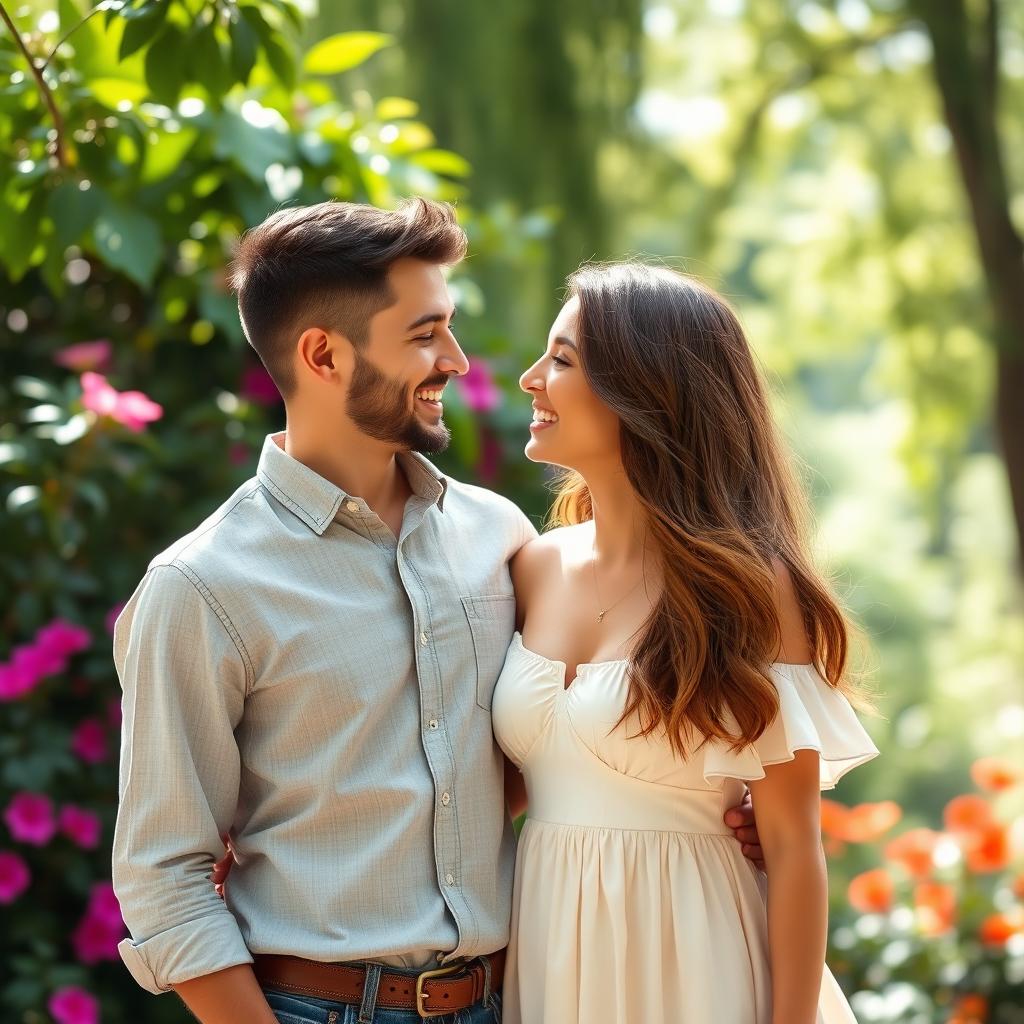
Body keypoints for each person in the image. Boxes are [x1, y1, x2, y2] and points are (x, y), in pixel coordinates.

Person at [111, 200, 764, 1024]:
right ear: (324, 355)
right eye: (425, 334)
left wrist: (716, 804)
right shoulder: (202, 588)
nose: (456, 359)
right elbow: (164, 877)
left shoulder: (499, 538)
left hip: (515, 998)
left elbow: (531, 753)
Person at [493, 262, 879, 1024]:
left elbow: (794, 848)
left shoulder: (750, 592)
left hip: (699, 962)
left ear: (649, 391)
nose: (532, 379)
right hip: (548, 959)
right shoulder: (532, 567)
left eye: (564, 359)